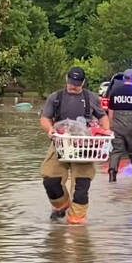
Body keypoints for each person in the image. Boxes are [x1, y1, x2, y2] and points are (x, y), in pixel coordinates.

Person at [40, 67, 110, 224]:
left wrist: (106, 129)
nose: (73, 86)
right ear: (66, 79)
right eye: (71, 83)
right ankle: (61, 205)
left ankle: (77, 222)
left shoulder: (91, 98)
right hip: (60, 143)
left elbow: (103, 117)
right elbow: (45, 118)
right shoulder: (55, 97)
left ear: (83, 83)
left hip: (84, 147)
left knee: (81, 186)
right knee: (50, 179)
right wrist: (50, 129)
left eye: (77, 84)